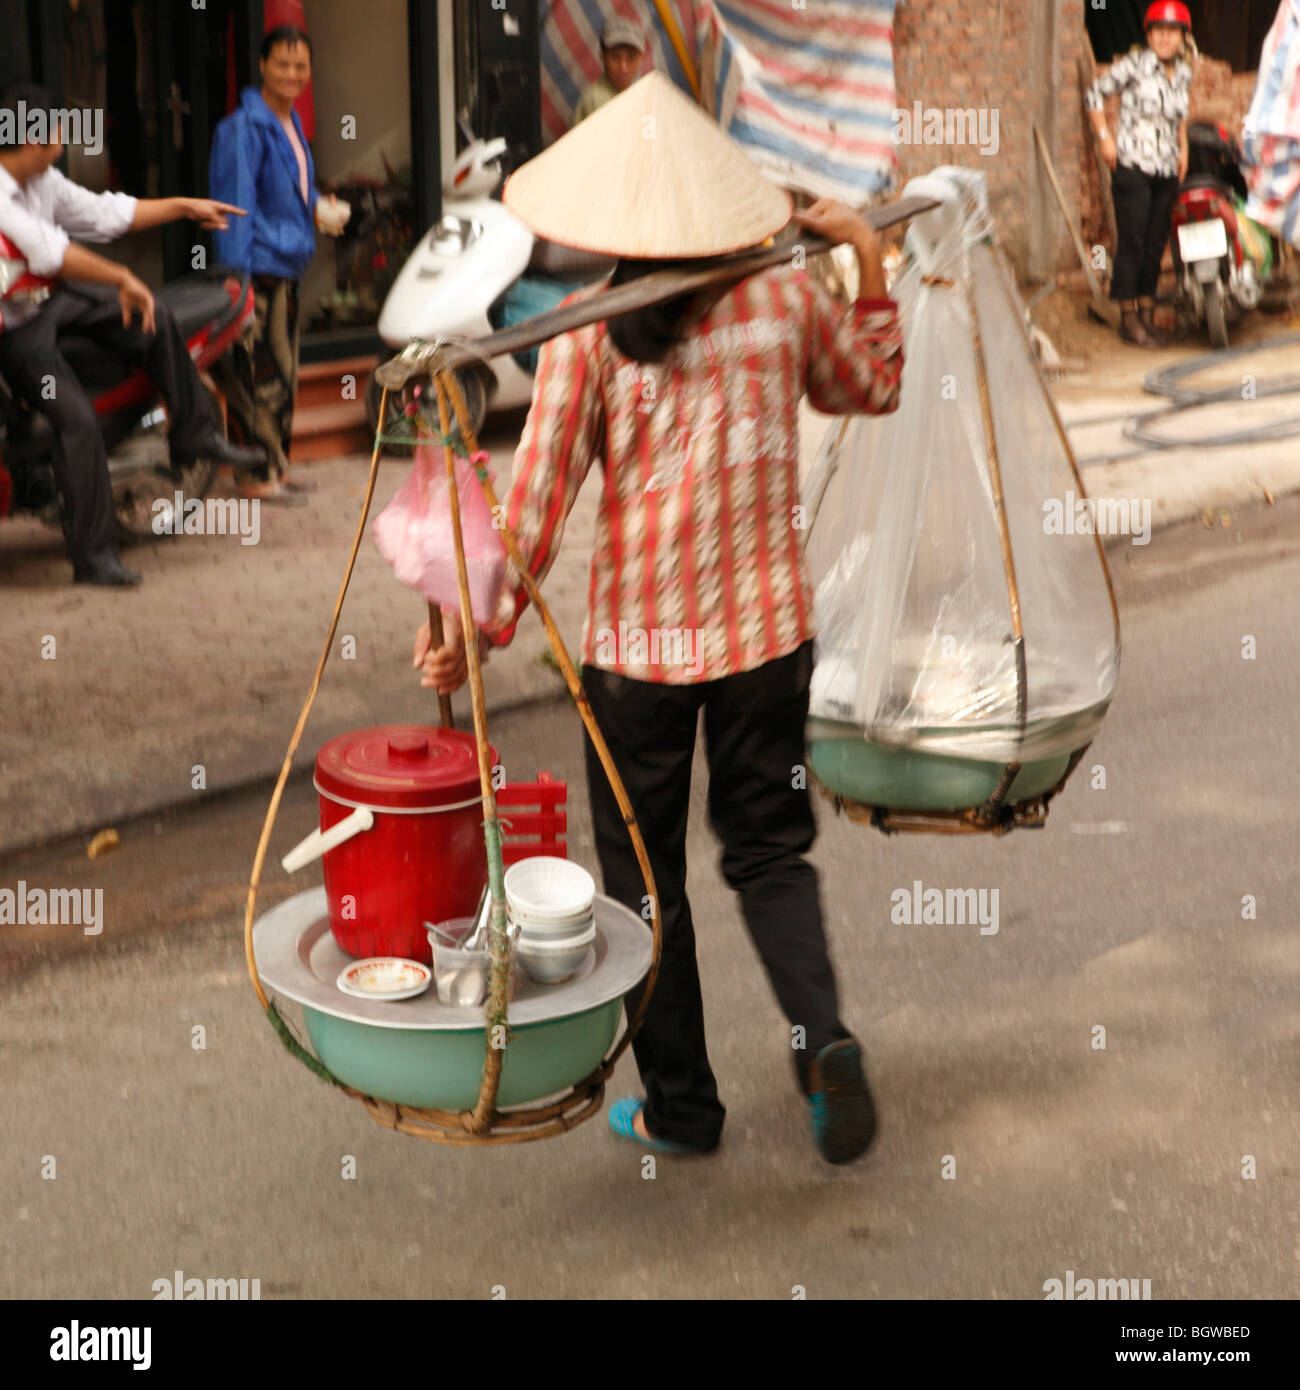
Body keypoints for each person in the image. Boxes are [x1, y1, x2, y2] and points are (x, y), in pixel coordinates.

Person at [414, 74, 903, 1165]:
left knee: (643, 883)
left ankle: (682, 1108)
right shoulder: (782, 299)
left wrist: (471, 628)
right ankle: (821, 1036)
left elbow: (530, 517)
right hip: (767, 642)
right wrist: (867, 255)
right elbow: (872, 383)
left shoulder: (587, 333)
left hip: (637, 661)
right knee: (772, 855)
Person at [0, 83, 264, 587]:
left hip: (53, 302)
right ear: (35, 138)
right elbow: (48, 252)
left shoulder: (43, 180)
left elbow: (105, 213)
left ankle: (196, 433)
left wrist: (184, 205)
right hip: (16, 332)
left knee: (153, 313)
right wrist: (121, 278)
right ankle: (94, 558)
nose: (64, 138)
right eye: (59, 129)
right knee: (75, 420)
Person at [208, 24, 350, 504]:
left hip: (286, 269)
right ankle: (253, 475)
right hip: (257, 272)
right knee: (256, 376)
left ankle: (276, 467)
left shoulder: (288, 123)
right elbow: (235, 209)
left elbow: (290, 187)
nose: (292, 73)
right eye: (282, 64)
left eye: (301, 66)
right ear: (263, 66)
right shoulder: (242, 128)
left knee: (281, 378)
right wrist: (236, 285)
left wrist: (315, 205)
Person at [1086, 0, 1194, 347]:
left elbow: (1179, 115)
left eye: (1171, 32)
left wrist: (1185, 149)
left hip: (1166, 167)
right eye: (1158, 31)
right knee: (1131, 243)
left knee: (1154, 243)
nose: (1165, 39)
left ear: (1181, 37)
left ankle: (1147, 315)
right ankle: (1128, 318)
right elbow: (1093, 95)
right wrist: (1105, 138)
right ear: (1149, 36)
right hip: (1133, 166)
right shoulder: (1134, 65)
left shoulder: (1184, 72)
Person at [574, 17, 646, 124]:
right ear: (603, 58)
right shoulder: (594, 101)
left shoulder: (644, 94)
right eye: (615, 57)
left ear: (641, 59)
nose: (623, 67)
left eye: (631, 58)